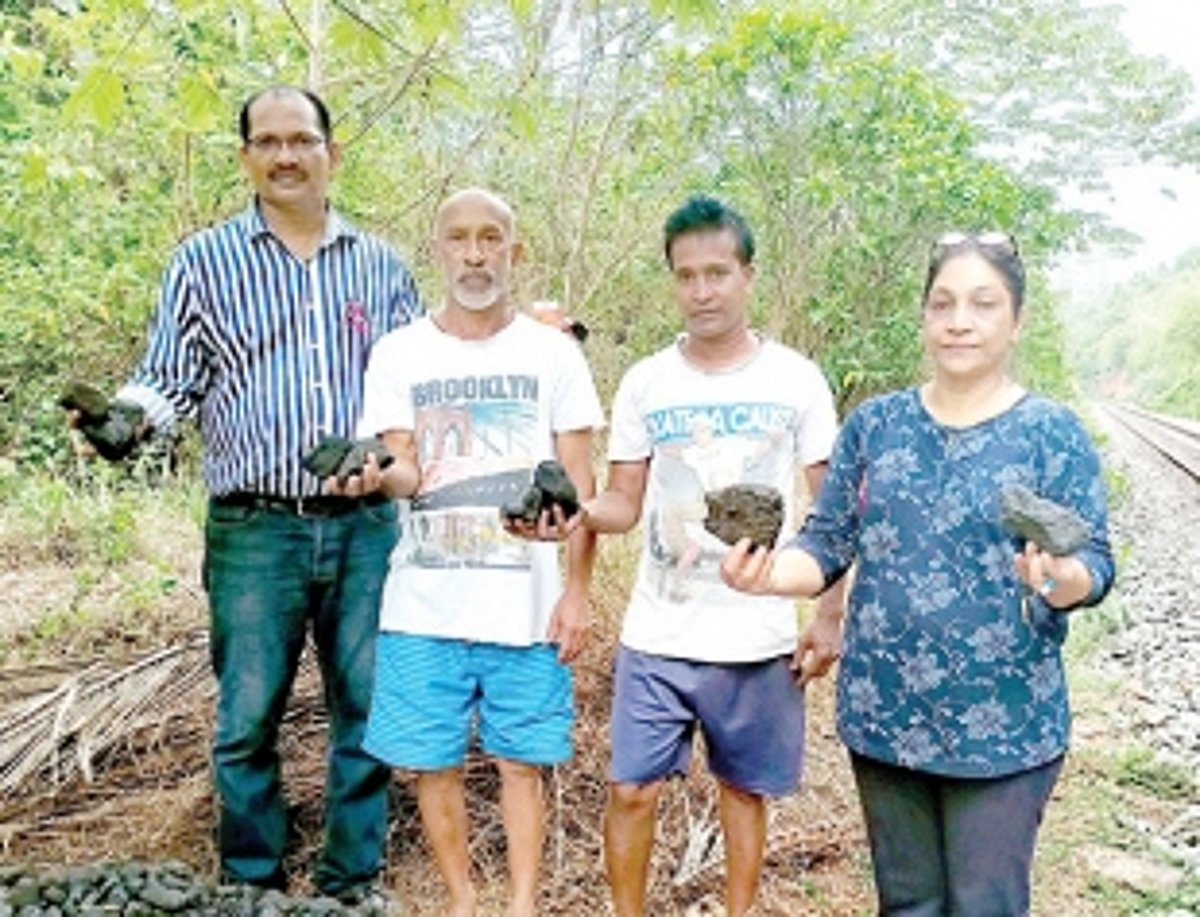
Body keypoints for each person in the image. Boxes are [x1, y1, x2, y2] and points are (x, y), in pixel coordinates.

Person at [89, 86, 422, 903]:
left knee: (369, 710)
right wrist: (125, 420)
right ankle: (252, 884)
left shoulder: (381, 266)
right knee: (245, 721)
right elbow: (168, 378)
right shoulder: (203, 263)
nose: (285, 155)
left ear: (330, 152)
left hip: (366, 526)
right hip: (253, 531)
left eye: (301, 139)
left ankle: (349, 884)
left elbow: (422, 380)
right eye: (267, 141)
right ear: (245, 157)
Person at [720, 231, 1116, 915]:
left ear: (1016, 320)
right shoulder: (876, 426)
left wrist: (1060, 579)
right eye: (943, 303)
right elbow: (827, 539)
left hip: (1005, 727)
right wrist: (768, 575)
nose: (960, 320)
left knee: (984, 904)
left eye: (983, 304)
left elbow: (1096, 562)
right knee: (907, 904)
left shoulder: (1053, 433)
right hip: (885, 716)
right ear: (925, 317)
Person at [526, 195, 843, 916]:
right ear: (673, 279)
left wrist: (828, 616)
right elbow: (622, 503)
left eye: (717, 273)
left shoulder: (795, 379)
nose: (702, 291)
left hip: (757, 634)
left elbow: (834, 514)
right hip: (659, 631)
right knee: (631, 788)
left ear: (747, 275)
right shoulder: (646, 380)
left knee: (743, 790)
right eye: (687, 275)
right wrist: (575, 512)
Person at [354, 187, 604, 917]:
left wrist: (578, 591)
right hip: (422, 601)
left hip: (524, 602)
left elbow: (582, 492)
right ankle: (464, 901)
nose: (474, 252)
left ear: (514, 251)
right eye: (459, 237)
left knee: (522, 763)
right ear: (437, 250)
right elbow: (400, 465)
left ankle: (523, 903)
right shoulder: (399, 353)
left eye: (490, 237)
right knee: (432, 763)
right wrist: (373, 474)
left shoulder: (552, 353)